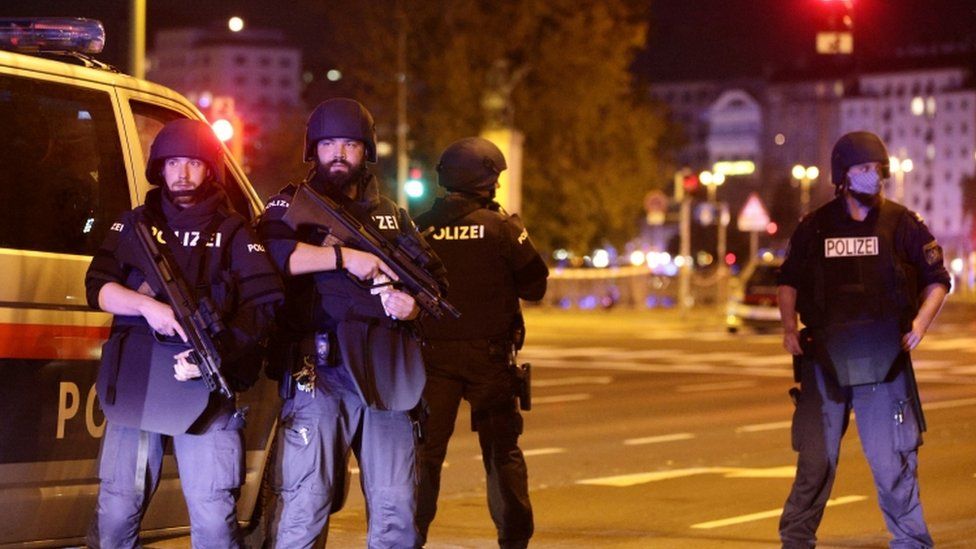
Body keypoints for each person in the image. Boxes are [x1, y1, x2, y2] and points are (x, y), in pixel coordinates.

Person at [85, 119, 284, 548]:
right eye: (173, 162)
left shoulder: (232, 231)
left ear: (209, 169)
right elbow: (97, 287)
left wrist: (215, 353)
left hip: (207, 382)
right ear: (159, 168)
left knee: (214, 518)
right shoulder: (135, 225)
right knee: (117, 511)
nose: (183, 173)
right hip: (141, 378)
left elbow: (264, 304)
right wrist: (146, 307)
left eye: (193, 163)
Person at [258, 98, 445, 548]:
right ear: (313, 150)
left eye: (349, 144)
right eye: (328, 144)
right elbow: (274, 256)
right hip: (318, 370)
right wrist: (346, 257)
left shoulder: (392, 217)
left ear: (367, 151)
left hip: (384, 370)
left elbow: (432, 281)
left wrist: (413, 306)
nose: (339, 153)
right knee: (306, 502)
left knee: (396, 506)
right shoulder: (289, 204)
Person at [777, 131, 950, 548]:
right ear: (843, 175)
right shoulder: (815, 227)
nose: (874, 176)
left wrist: (920, 326)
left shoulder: (902, 223)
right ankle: (795, 540)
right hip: (824, 361)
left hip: (885, 361)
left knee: (893, 462)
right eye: (863, 169)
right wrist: (787, 329)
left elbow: (938, 280)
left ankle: (911, 542)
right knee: (817, 462)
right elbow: (788, 282)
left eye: (877, 169)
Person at [414, 137, 549, 549]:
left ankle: (409, 536)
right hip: (489, 360)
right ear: (487, 179)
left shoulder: (421, 227)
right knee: (501, 454)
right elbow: (535, 287)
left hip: (431, 359)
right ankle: (513, 540)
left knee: (424, 457)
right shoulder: (503, 228)